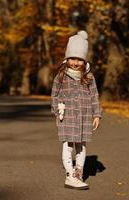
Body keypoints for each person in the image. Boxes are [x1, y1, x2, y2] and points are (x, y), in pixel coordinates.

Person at [51, 30, 103, 190]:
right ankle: (70, 175)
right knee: (67, 145)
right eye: (73, 58)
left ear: (84, 60)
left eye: (79, 59)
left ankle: (78, 172)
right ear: (67, 58)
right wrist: (57, 109)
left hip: (84, 116)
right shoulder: (61, 76)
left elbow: (94, 95)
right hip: (67, 116)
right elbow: (55, 94)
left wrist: (97, 114)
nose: (75, 62)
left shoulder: (89, 77)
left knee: (81, 145)